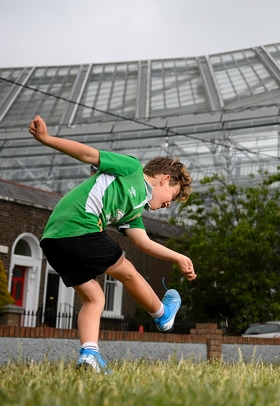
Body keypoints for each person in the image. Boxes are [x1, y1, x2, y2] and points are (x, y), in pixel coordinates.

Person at [29, 115, 197, 374]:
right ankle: (162, 314)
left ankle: (89, 355)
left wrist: (178, 257)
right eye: (171, 197)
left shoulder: (134, 212)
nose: (167, 205)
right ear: (165, 178)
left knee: (94, 298)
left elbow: (144, 243)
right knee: (127, 271)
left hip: (54, 242)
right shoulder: (131, 169)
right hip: (80, 228)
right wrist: (46, 139)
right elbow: (88, 155)